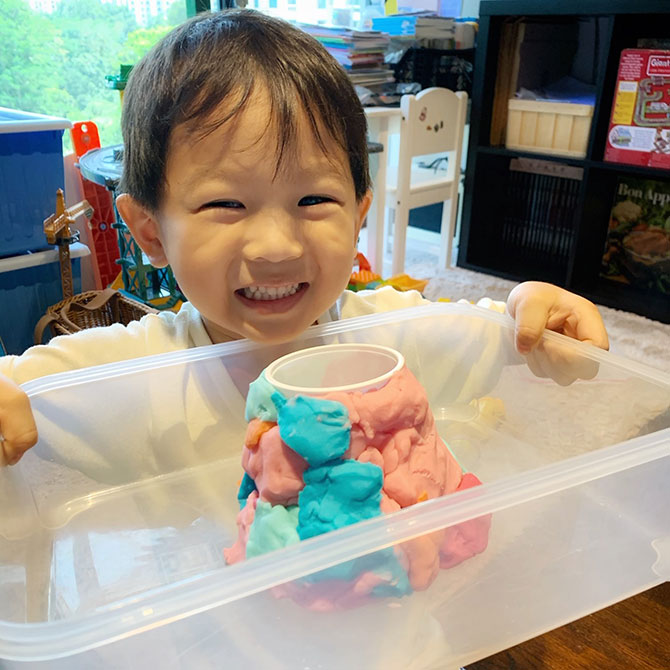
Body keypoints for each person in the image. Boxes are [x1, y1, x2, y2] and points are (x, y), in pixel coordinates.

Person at [0, 9, 608, 467]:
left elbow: (495, 331)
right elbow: (23, 389)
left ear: (359, 213)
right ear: (150, 233)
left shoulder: (392, 338)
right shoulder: (138, 370)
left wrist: (533, 311)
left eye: (314, 200)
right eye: (225, 203)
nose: (277, 247)